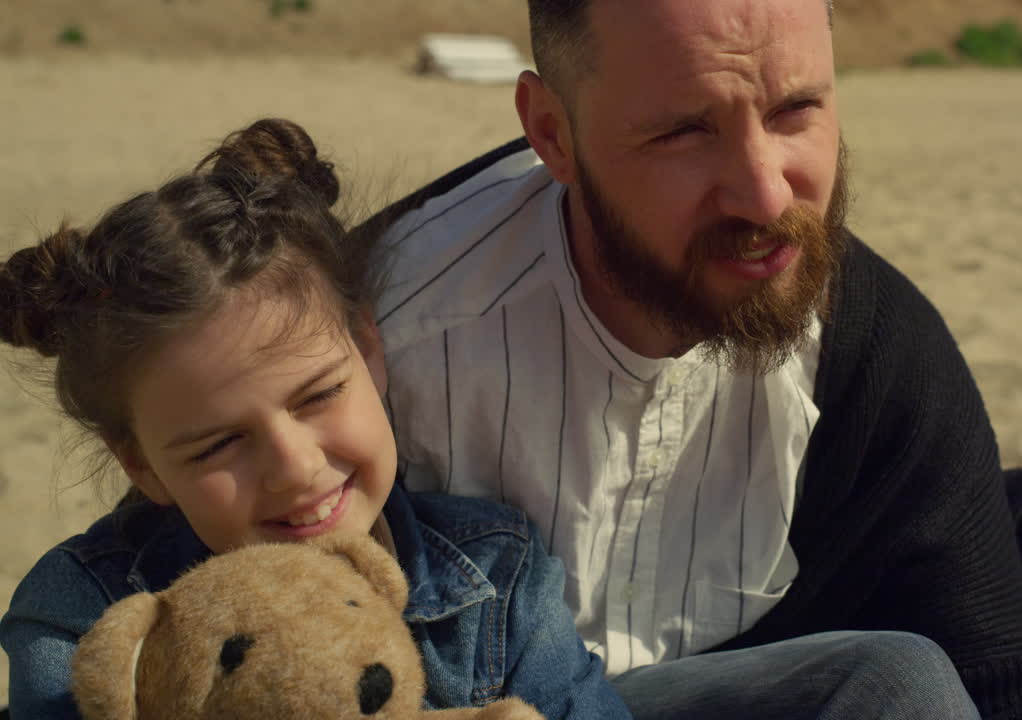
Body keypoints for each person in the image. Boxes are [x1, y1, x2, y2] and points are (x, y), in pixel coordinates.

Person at [358, 0, 1022, 718]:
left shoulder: (866, 334)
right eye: (684, 132)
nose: (766, 195)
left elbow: (990, 656)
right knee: (892, 682)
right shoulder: (384, 342)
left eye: (796, 110)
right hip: (522, 699)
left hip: (774, 657)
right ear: (552, 134)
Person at [0, 119, 633, 720]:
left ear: (367, 349)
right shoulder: (82, 615)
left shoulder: (499, 574)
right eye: (219, 444)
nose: (295, 467)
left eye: (318, 396)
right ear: (141, 464)